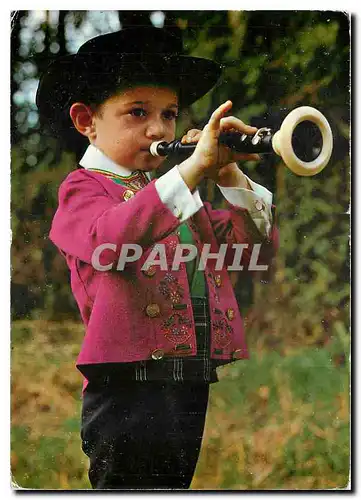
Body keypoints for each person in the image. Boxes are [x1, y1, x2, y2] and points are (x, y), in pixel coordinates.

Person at [36, 25, 278, 490]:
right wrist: (190, 170)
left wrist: (227, 171)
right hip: (126, 389)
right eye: (137, 113)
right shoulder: (82, 189)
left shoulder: (169, 194)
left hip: (188, 379)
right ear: (87, 120)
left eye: (169, 114)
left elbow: (253, 244)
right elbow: (111, 241)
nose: (158, 130)